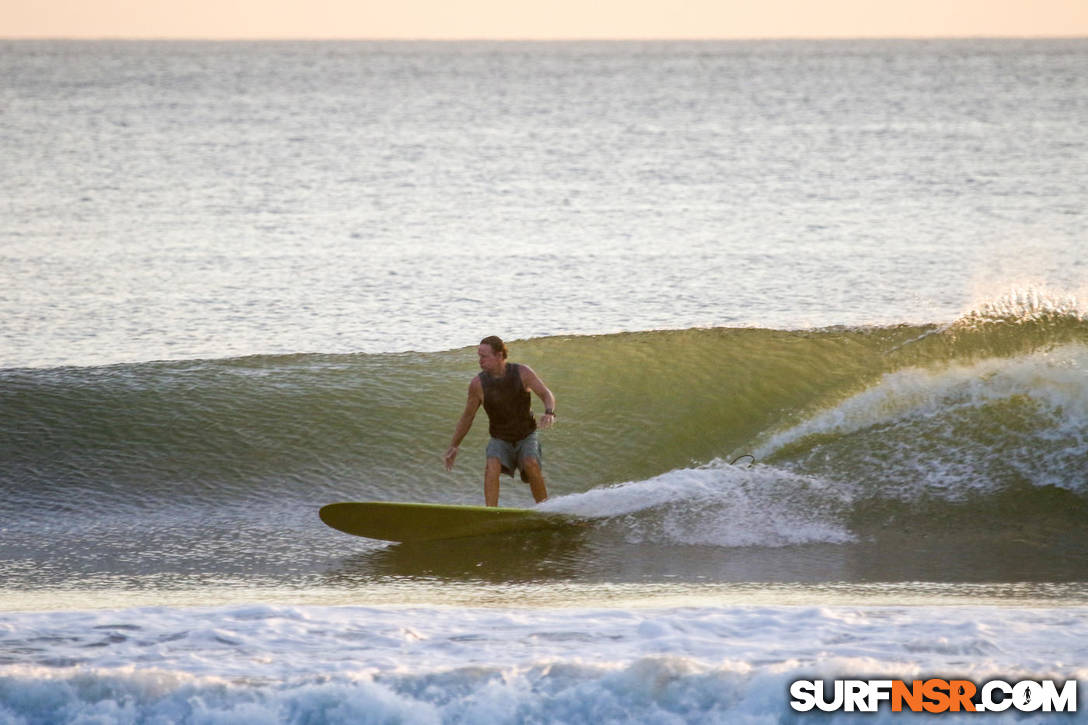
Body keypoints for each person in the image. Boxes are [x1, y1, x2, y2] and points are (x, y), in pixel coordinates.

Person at [443, 336, 556, 506]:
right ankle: (491, 513)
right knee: (491, 466)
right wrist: (454, 445)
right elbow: (468, 417)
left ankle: (545, 508)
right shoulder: (478, 384)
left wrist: (549, 412)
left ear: (499, 355)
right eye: (479, 356)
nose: (480, 361)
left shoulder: (522, 372)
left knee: (531, 463)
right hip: (500, 438)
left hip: (526, 434)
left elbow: (546, 394)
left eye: (484, 356)